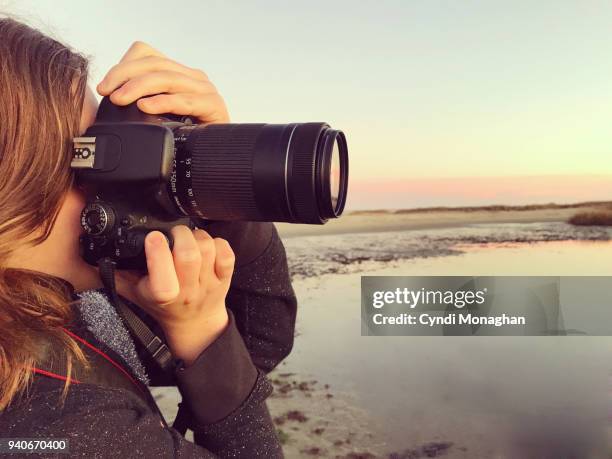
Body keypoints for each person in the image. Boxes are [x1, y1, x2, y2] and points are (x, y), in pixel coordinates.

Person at [0, 17, 297, 457]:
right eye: (87, 156)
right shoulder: (66, 427)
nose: (114, 184)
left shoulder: (44, 310)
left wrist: (218, 191)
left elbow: (261, 342)